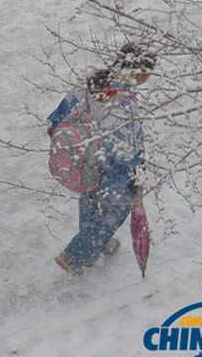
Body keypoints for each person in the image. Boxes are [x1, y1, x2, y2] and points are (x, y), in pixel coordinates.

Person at [47, 43, 156, 274]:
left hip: (81, 160)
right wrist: (136, 170)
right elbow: (129, 151)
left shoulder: (89, 83)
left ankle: (96, 247)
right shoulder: (126, 104)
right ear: (138, 71)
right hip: (109, 168)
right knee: (113, 211)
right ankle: (75, 255)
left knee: (89, 202)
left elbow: (57, 118)